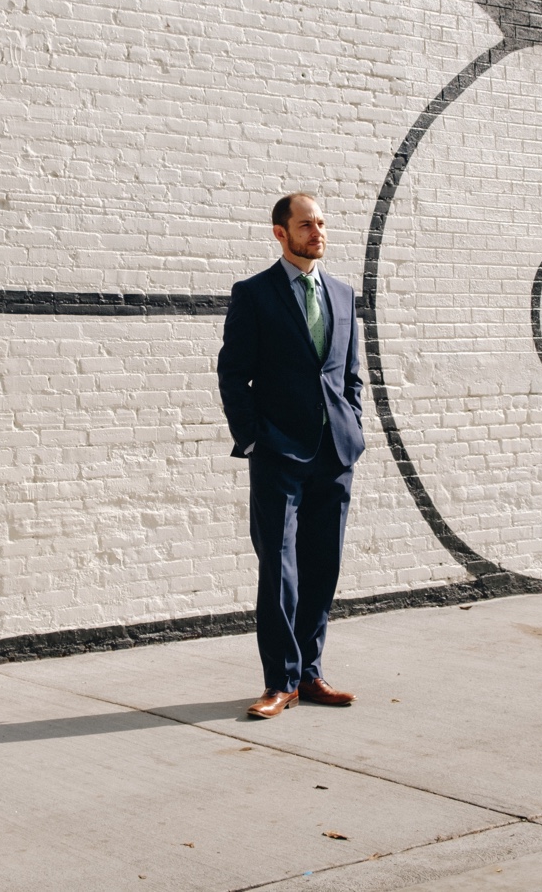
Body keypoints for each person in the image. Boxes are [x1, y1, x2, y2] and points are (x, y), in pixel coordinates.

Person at [217, 193, 366, 718]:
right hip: (279, 453)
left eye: (321, 223)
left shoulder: (344, 294)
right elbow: (234, 373)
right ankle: (279, 681)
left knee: (322, 566)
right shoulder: (254, 294)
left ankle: (310, 674)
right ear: (280, 233)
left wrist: (355, 426)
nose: (317, 232)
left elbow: (350, 374)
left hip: (335, 452)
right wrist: (254, 438)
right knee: (278, 569)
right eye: (306, 225)